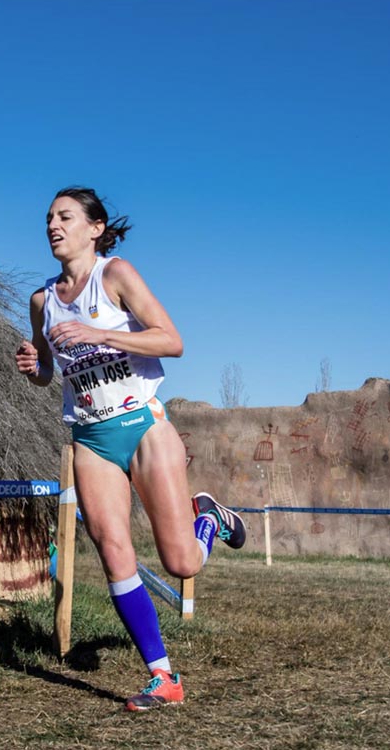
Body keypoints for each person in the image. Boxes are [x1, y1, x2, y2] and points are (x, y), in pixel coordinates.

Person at [14, 186, 246, 712]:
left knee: (181, 563)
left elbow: (171, 340)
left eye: (65, 217)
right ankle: (163, 676)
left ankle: (208, 518)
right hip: (90, 439)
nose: (53, 225)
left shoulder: (115, 275)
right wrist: (36, 366)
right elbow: (52, 370)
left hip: (142, 424)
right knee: (113, 550)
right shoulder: (41, 301)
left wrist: (102, 333)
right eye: (49, 218)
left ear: (94, 228)